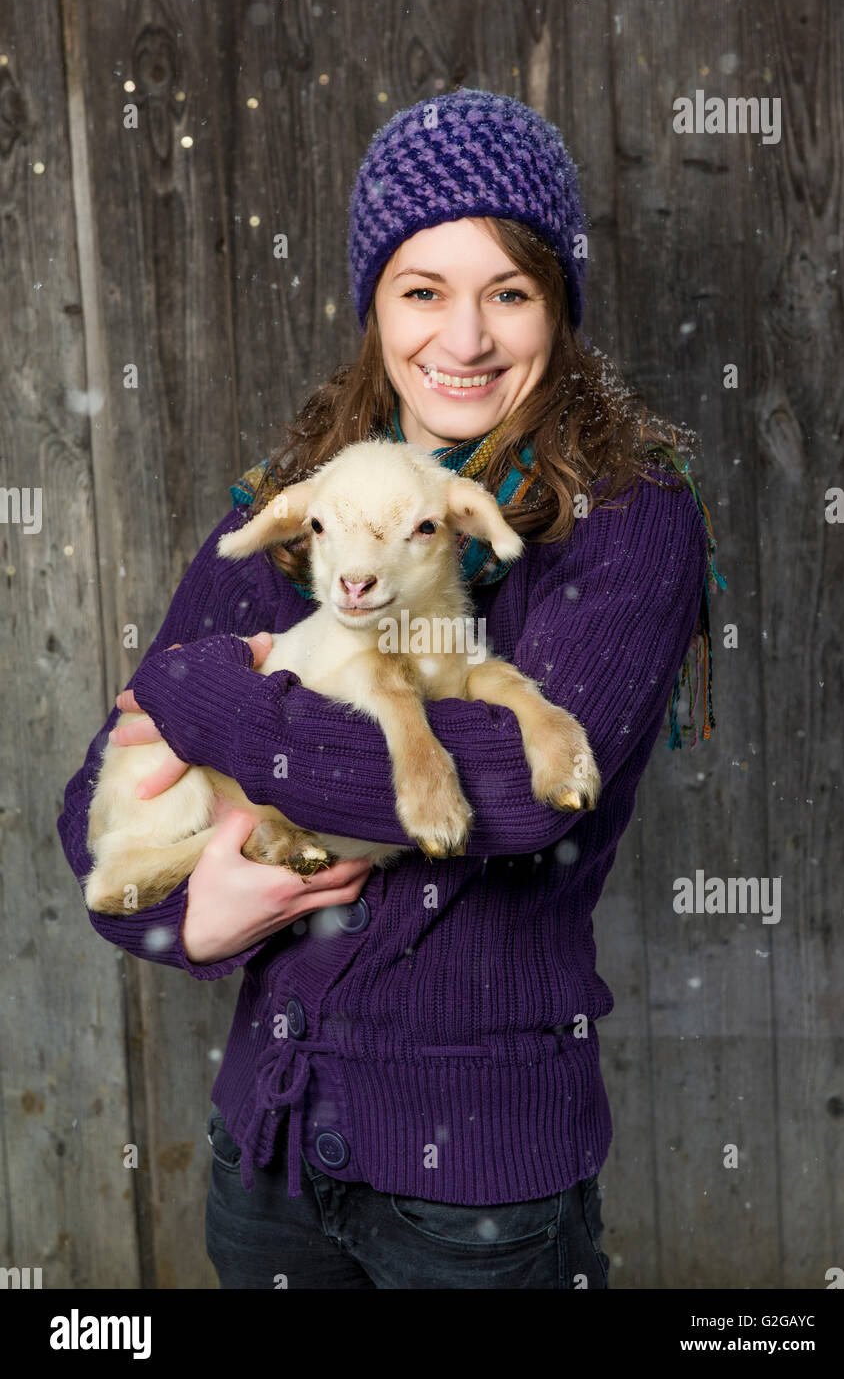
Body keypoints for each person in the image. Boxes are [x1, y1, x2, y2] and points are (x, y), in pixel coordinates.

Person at [57, 88, 725, 1290]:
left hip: (477, 1186)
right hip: (265, 1149)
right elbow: (94, 806)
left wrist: (217, 699)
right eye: (422, 290)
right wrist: (183, 923)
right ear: (375, 303)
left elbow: (515, 796)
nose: (461, 340)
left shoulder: (628, 513)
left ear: (557, 305)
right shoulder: (310, 497)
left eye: (508, 293)